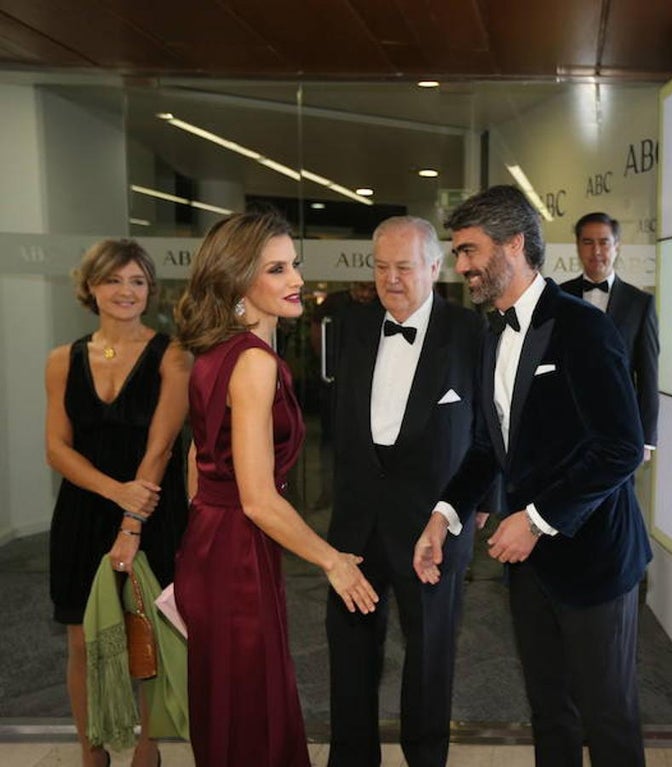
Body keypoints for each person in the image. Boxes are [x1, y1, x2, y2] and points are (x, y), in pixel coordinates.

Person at [414, 185, 652, 767]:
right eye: (458, 252)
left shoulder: (583, 327)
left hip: (596, 561)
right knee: (550, 714)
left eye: (469, 250)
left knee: (608, 719)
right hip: (530, 567)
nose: (461, 265)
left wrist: (538, 520)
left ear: (514, 244)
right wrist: (443, 515)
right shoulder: (489, 333)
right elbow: (486, 447)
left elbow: (621, 448)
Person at [173, 209, 378, 767]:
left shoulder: (214, 352)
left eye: (294, 265)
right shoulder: (253, 363)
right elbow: (259, 499)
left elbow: (196, 457)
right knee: (252, 705)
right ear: (239, 279)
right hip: (237, 552)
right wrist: (333, 561)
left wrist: (206, 530)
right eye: (277, 269)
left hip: (212, 542)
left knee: (229, 700)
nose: (297, 280)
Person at [325, 217, 490, 767]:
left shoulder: (470, 332)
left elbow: (491, 428)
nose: (390, 279)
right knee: (349, 653)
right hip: (356, 522)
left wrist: (483, 500)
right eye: (380, 267)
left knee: (429, 656)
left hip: (431, 523)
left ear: (435, 268)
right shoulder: (351, 325)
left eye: (403, 267)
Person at [45, 238, 190, 767]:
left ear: (150, 289)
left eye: (137, 281)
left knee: (145, 634)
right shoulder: (62, 360)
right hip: (83, 512)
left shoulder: (172, 355)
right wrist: (114, 490)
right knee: (81, 642)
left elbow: (161, 447)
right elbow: (57, 448)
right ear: (91, 287)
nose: (126, 291)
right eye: (113, 280)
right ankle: (92, 753)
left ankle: (146, 752)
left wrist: (132, 515)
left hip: (153, 510)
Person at [560, 212, 659, 460]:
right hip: (566, 427)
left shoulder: (640, 304)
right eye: (588, 242)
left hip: (620, 429)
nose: (596, 251)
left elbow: (648, 375)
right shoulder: (558, 297)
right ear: (577, 246)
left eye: (604, 242)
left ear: (617, 246)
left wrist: (646, 440)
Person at [308, 280, 375, 510]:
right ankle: (328, 491)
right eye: (361, 288)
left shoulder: (381, 304)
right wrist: (327, 363)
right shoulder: (333, 303)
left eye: (370, 290)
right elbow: (316, 332)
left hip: (367, 384)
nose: (365, 295)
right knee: (331, 439)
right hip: (335, 380)